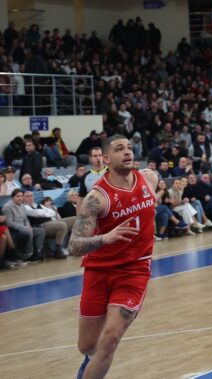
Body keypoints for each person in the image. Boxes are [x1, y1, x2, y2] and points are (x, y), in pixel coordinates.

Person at [70, 134, 158, 379]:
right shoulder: (96, 199)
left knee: (110, 339)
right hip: (99, 271)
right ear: (106, 159)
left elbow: (151, 202)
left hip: (135, 270)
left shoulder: (149, 178)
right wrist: (106, 238)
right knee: (88, 345)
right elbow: (74, 245)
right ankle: (90, 360)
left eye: (129, 148)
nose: (128, 152)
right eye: (120, 149)